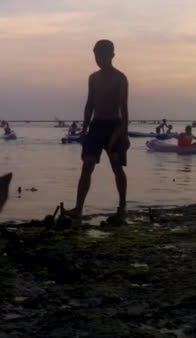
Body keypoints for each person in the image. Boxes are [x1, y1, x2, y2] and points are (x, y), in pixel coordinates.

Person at [64, 40, 130, 219]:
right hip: (96, 126)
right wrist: (84, 131)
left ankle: (122, 206)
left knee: (117, 167)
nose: (98, 59)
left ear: (112, 55)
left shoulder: (120, 78)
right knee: (87, 166)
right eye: (96, 56)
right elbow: (89, 104)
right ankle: (78, 208)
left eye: (102, 55)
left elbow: (124, 109)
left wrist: (122, 135)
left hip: (113, 126)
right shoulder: (93, 78)